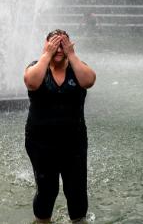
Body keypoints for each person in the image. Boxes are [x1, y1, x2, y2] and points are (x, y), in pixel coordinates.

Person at [23, 29, 96, 224]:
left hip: (74, 141)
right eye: (54, 44)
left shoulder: (78, 68)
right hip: (40, 142)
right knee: (47, 189)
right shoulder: (36, 67)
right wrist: (46, 55)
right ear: (46, 46)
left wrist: (72, 55)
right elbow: (31, 82)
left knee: (76, 190)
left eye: (62, 44)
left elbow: (89, 81)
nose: (59, 49)